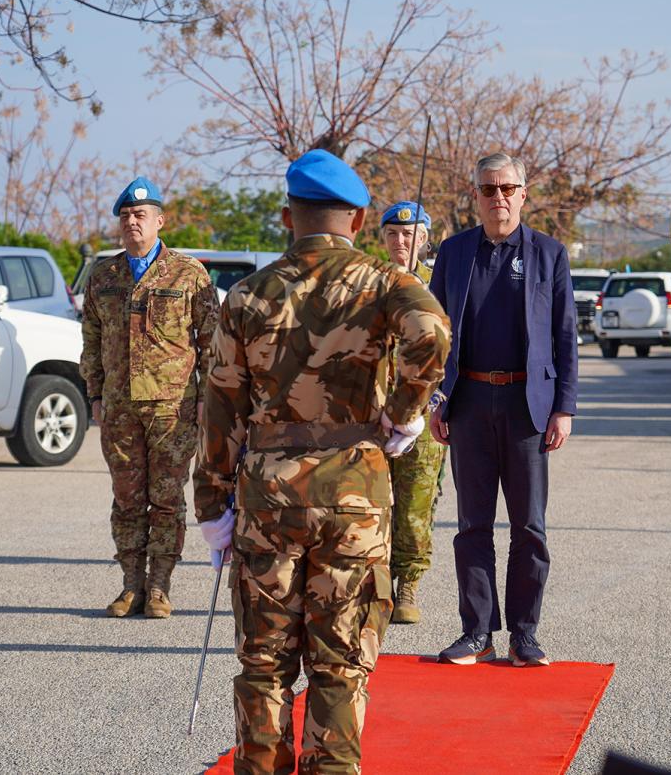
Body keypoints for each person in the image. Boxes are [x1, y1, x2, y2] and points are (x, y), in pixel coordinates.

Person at [193, 150, 450, 775]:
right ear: (357, 220)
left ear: (288, 216)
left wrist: (211, 505)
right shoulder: (385, 282)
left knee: (264, 664)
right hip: (353, 494)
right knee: (340, 665)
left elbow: (220, 406)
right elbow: (432, 334)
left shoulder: (247, 294)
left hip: (268, 500)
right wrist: (404, 413)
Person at [428, 152, 579, 668]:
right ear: (476, 195)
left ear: (523, 194)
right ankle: (476, 632)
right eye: (489, 189)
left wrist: (564, 407)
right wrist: (435, 398)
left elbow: (565, 335)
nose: (499, 197)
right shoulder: (454, 253)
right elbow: (434, 334)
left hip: (526, 406)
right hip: (468, 401)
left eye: (507, 188)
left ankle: (524, 634)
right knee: (472, 525)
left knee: (529, 527)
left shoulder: (549, 254)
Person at [79, 176, 219, 619]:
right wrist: (94, 393)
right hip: (119, 408)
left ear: (161, 221)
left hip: (172, 407)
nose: (131, 222)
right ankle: (130, 585)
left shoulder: (188, 273)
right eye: (125, 216)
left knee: (166, 498)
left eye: (140, 215)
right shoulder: (104, 276)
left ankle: (159, 586)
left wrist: (206, 397)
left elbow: (212, 341)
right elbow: (91, 340)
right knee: (126, 498)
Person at [380, 200, 446, 625]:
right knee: (374, 501)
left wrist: (440, 399)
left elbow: (455, 344)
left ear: (423, 238)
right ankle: (377, 583)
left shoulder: (440, 284)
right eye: (393, 234)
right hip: (375, 411)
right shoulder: (371, 283)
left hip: (424, 411)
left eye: (409, 234)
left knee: (416, 502)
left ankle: (409, 583)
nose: (400, 241)